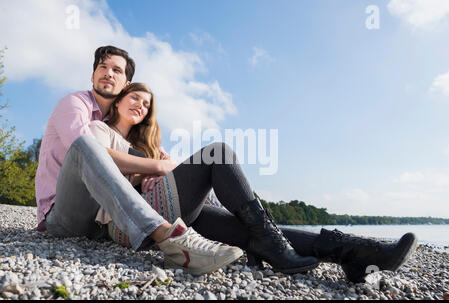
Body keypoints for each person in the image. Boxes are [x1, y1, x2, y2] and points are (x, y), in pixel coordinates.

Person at [90, 82, 418, 283]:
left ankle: (355, 253)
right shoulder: (100, 130)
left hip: (174, 216)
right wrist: (160, 166)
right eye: (134, 98)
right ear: (118, 100)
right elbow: (101, 158)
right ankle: (273, 246)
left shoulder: (152, 146)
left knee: (255, 231)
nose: (140, 105)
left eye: (146, 104)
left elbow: (173, 172)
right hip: (129, 221)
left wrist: (164, 166)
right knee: (217, 153)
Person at [35, 45, 245, 276]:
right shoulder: (75, 105)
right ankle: (167, 236)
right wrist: (155, 167)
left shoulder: (120, 125)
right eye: (102, 67)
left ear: (125, 84)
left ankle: (266, 238)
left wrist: (156, 168)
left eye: (117, 70)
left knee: (232, 218)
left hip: (104, 223)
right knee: (85, 145)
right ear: (92, 75)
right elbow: (95, 155)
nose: (108, 73)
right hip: (64, 216)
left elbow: (165, 160)